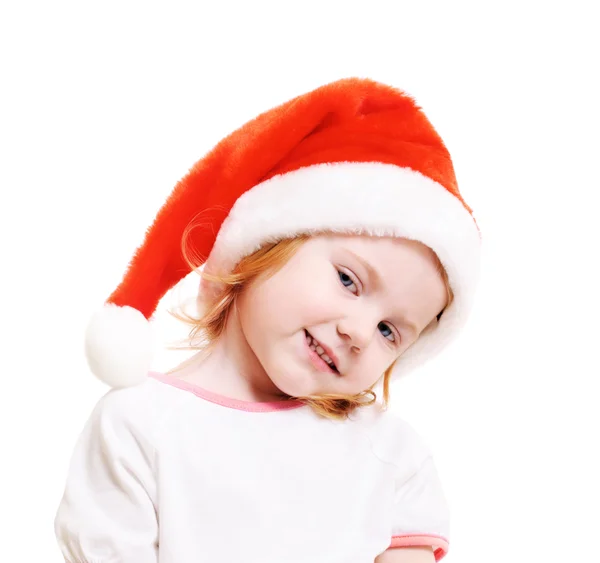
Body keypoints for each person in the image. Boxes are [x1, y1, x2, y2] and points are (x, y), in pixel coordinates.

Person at [54, 77, 481, 563]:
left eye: (390, 331)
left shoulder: (392, 457)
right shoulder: (138, 427)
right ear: (264, 245)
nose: (360, 332)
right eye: (348, 280)